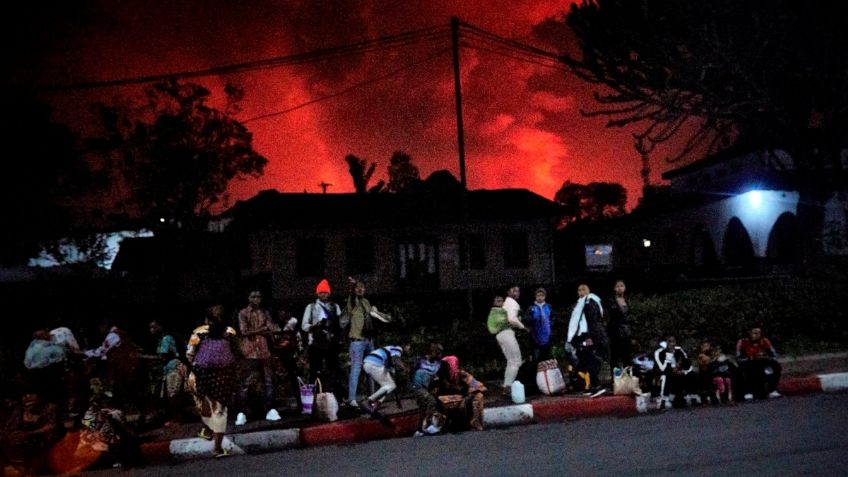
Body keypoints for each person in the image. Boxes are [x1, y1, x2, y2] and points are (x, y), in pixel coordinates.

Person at [186, 305, 238, 458]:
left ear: (207, 319)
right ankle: (217, 448)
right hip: (223, 375)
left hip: (202, 374)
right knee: (220, 411)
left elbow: (190, 354)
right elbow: (237, 351)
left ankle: (207, 430)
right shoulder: (230, 332)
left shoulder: (198, 333)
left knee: (206, 405)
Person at [235, 290, 279, 426]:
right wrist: (262, 329)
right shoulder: (243, 313)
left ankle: (271, 409)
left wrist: (261, 330)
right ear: (248, 298)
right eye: (253, 296)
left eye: (258, 296)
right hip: (250, 351)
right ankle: (242, 412)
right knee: (246, 383)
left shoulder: (264, 313)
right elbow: (244, 331)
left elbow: (272, 328)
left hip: (264, 351)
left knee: (268, 381)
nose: (256, 299)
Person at [1, 389, 61, 476]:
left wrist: (30, 433)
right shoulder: (20, 409)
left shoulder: (50, 408)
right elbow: (10, 426)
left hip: (43, 444)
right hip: (24, 445)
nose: (27, 397)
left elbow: (52, 426)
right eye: (24, 394)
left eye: (31, 393)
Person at [302, 279, 343, 397]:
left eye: (325, 292)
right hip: (316, 343)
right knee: (314, 370)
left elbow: (340, 324)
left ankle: (335, 396)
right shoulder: (311, 307)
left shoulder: (335, 306)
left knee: (334, 370)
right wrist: (315, 326)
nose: (323, 294)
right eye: (321, 292)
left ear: (329, 293)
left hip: (331, 343)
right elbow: (304, 326)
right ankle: (313, 396)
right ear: (317, 293)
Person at [566, 284, 608, 394]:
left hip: (590, 335)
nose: (581, 292)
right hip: (583, 336)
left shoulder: (590, 302)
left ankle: (596, 385)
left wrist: (590, 337)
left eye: (583, 289)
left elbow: (592, 321)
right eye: (579, 289)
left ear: (589, 290)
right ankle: (589, 385)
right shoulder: (580, 303)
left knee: (590, 359)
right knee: (584, 360)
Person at [343, 277, 376, 408]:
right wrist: (352, 287)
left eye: (362, 287)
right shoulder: (352, 301)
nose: (360, 289)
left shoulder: (366, 302)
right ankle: (352, 399)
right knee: (356, 369)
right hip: (357, 340)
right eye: (358, 287)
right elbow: (351, 296)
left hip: (369, 340)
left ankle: (373, 397)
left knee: (371, 369)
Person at [147, 320, 188, 425]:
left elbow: (161, 357)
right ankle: (177, 417)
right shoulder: (164, 339)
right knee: (173, 395)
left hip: (173, 368)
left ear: (160, 327)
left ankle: (178, 418)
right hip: (172, 368)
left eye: (153, 327)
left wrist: (143, 357)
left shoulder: (166, 339)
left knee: (173, 396)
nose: (151, 330)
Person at [269, 310, 303, 412]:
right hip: (277, 354)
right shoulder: (272, 325)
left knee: (293, 378)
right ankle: (274, 407)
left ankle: (300, 403)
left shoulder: (293, 323)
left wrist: (299, 351)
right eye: (280, 312)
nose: (282, 314)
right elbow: (271, 340)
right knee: (274, 380)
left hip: (289, 354)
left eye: (284, 312)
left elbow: (298, 337)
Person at [359, 345, 409, 414]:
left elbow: (391, 368)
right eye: (409, 347)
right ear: (407, 345)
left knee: (387, 386)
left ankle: (376, 405)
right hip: (374, 363)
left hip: (369, 363)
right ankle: (367, 401)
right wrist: (405, 368)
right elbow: (396, 359)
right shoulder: (397, 348)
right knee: (391, 386)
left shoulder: (389, 354)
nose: (409, 349)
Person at [736, 326, 782, 400]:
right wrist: (750, 358)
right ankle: (748, 391)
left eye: (758, 333)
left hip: (763, 361)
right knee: (750, 369)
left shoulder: (764, 341)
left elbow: (774, 355)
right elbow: (739, 358)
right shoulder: (743, 342)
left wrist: (766, 357)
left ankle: (772, 390)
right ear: (749, 333)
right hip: (748, 363)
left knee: (776, 366)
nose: (757, 335)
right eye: (754, 333)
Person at [498, 285, 527, 396]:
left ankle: (506, 386)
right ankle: (508, 387)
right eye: (514, 290)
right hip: (507, 333)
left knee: (511, 361)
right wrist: (522, 327)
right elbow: (512, 319)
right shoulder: (513, 303)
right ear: (508, 292)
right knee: (516, 361)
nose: (517, 292)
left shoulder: (506, 302)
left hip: (501, 334)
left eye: (518, 290)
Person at [409, 343, 443, 435]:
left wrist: (435, 385)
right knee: (431, 400)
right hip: (417, 386)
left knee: (423, 408)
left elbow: (435, 376)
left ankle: (419, 430)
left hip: (426, 387)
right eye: (437, 353)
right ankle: (427, 425)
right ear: (431, 352)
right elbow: (410, 372)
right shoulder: (420, 361)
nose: (439, 355)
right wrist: (411, 386)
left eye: (440, 353)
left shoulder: (438, 364)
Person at [606, 280, 633, 370]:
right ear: (614, 288)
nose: (620, 288)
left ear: (625, 288)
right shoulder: (611, 300)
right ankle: (615, 377)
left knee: (627, 354)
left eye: (621, 286)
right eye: (617, 286)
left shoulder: (628, 299)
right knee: (615, 355)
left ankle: (628, 375)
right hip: (615, 331)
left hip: (627, 331)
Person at [525, 288, 552, 363]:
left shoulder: (549, 307)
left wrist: (550, 324)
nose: (540, 297)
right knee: (536, 360)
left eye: (542, 295)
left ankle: (545, 375)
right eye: (538, 295)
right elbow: (526, 320)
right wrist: (534, 319)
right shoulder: (531, 308)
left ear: (545, 296)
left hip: (547, 338)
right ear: (535, 296)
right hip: (535, 338)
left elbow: (554, 317)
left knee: (546, 360)